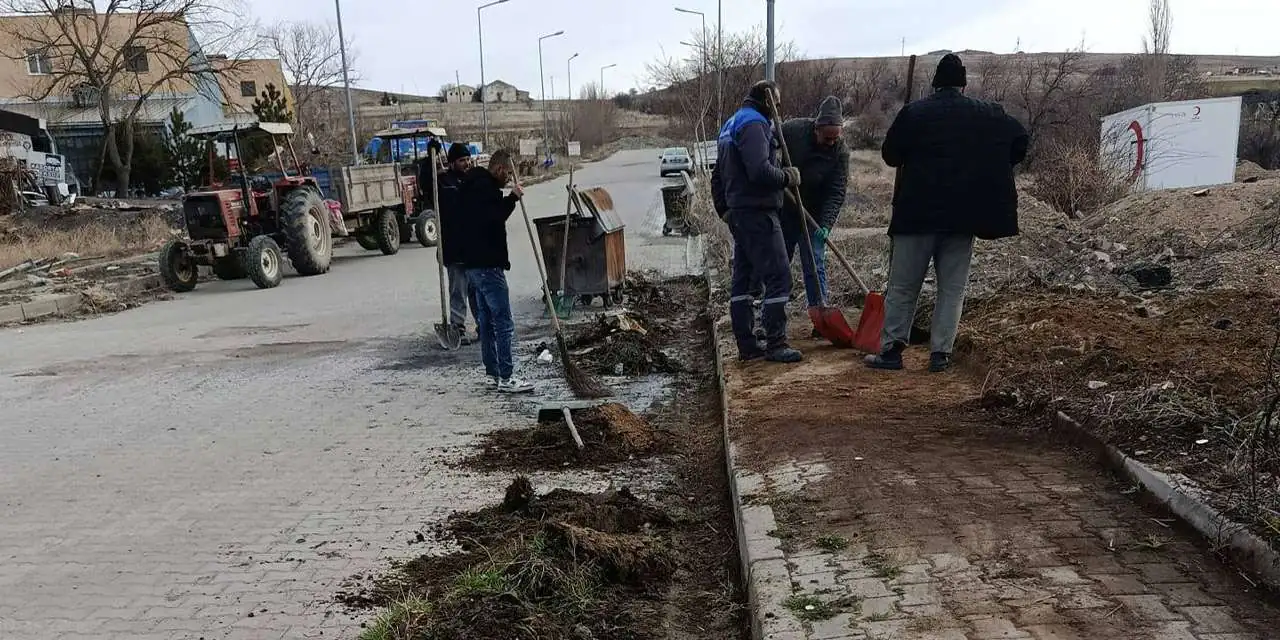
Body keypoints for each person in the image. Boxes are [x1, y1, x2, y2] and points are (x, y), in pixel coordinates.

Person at [866, 53, 1029, 373]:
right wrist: (994, 164)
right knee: (952, 289)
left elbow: (890, 155)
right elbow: (1020, 139)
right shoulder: (987, 114)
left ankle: (892, 351)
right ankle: (941, 353)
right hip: (962, 219)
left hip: (915, 216)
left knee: (902, 287)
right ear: (963, 85)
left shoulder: (915, 113)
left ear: (936, 83)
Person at [711, 80, 803, 364]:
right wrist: (787, 176)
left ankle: (748, 345)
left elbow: (717, 176)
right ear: (768, 100)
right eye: (778, 103)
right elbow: (760, 171)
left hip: (740, 213)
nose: (780, 108)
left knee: (745, 281)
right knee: (778, 276)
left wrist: (724, 210)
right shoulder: (754, 124)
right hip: (757, 212)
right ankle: (776, 343)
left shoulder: (731, 124)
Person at [456, 149, 534, 393]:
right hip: (488, 266)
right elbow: (494, 218)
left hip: (473, 265)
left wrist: (507, 198)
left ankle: (492, 372)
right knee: (503, 322)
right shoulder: (485, 189)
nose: (509, 179)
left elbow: (486, 215)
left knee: (487, 322)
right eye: (508, 174)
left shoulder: (472, 186)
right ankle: (507, 377)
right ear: (499, 169)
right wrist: (512, 198)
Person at [780, 96, 850, 338]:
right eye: (827, 137)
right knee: (779, 264)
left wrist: (826, 224)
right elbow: (767, 144)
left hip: (815, 216)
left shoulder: (840, 152)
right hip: (786, 209)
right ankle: (773, 317)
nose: (831, 142)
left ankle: (821, 319)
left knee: (814, 264)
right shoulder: (793, 130)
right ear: (816, 128)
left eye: (835, 137)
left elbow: (837, 190)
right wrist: (779, 175)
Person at [438, 141, 479, 344]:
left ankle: (484, 325)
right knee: (458, 291)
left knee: (477, 290)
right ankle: (457, 328)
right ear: (452, 162)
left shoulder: (473, 180)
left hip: (474, 248)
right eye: (462, 160)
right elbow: (426, 183)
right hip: (454, 248)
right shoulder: (444, 182)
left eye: (468, 159)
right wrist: (431, 155)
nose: (467, 163)